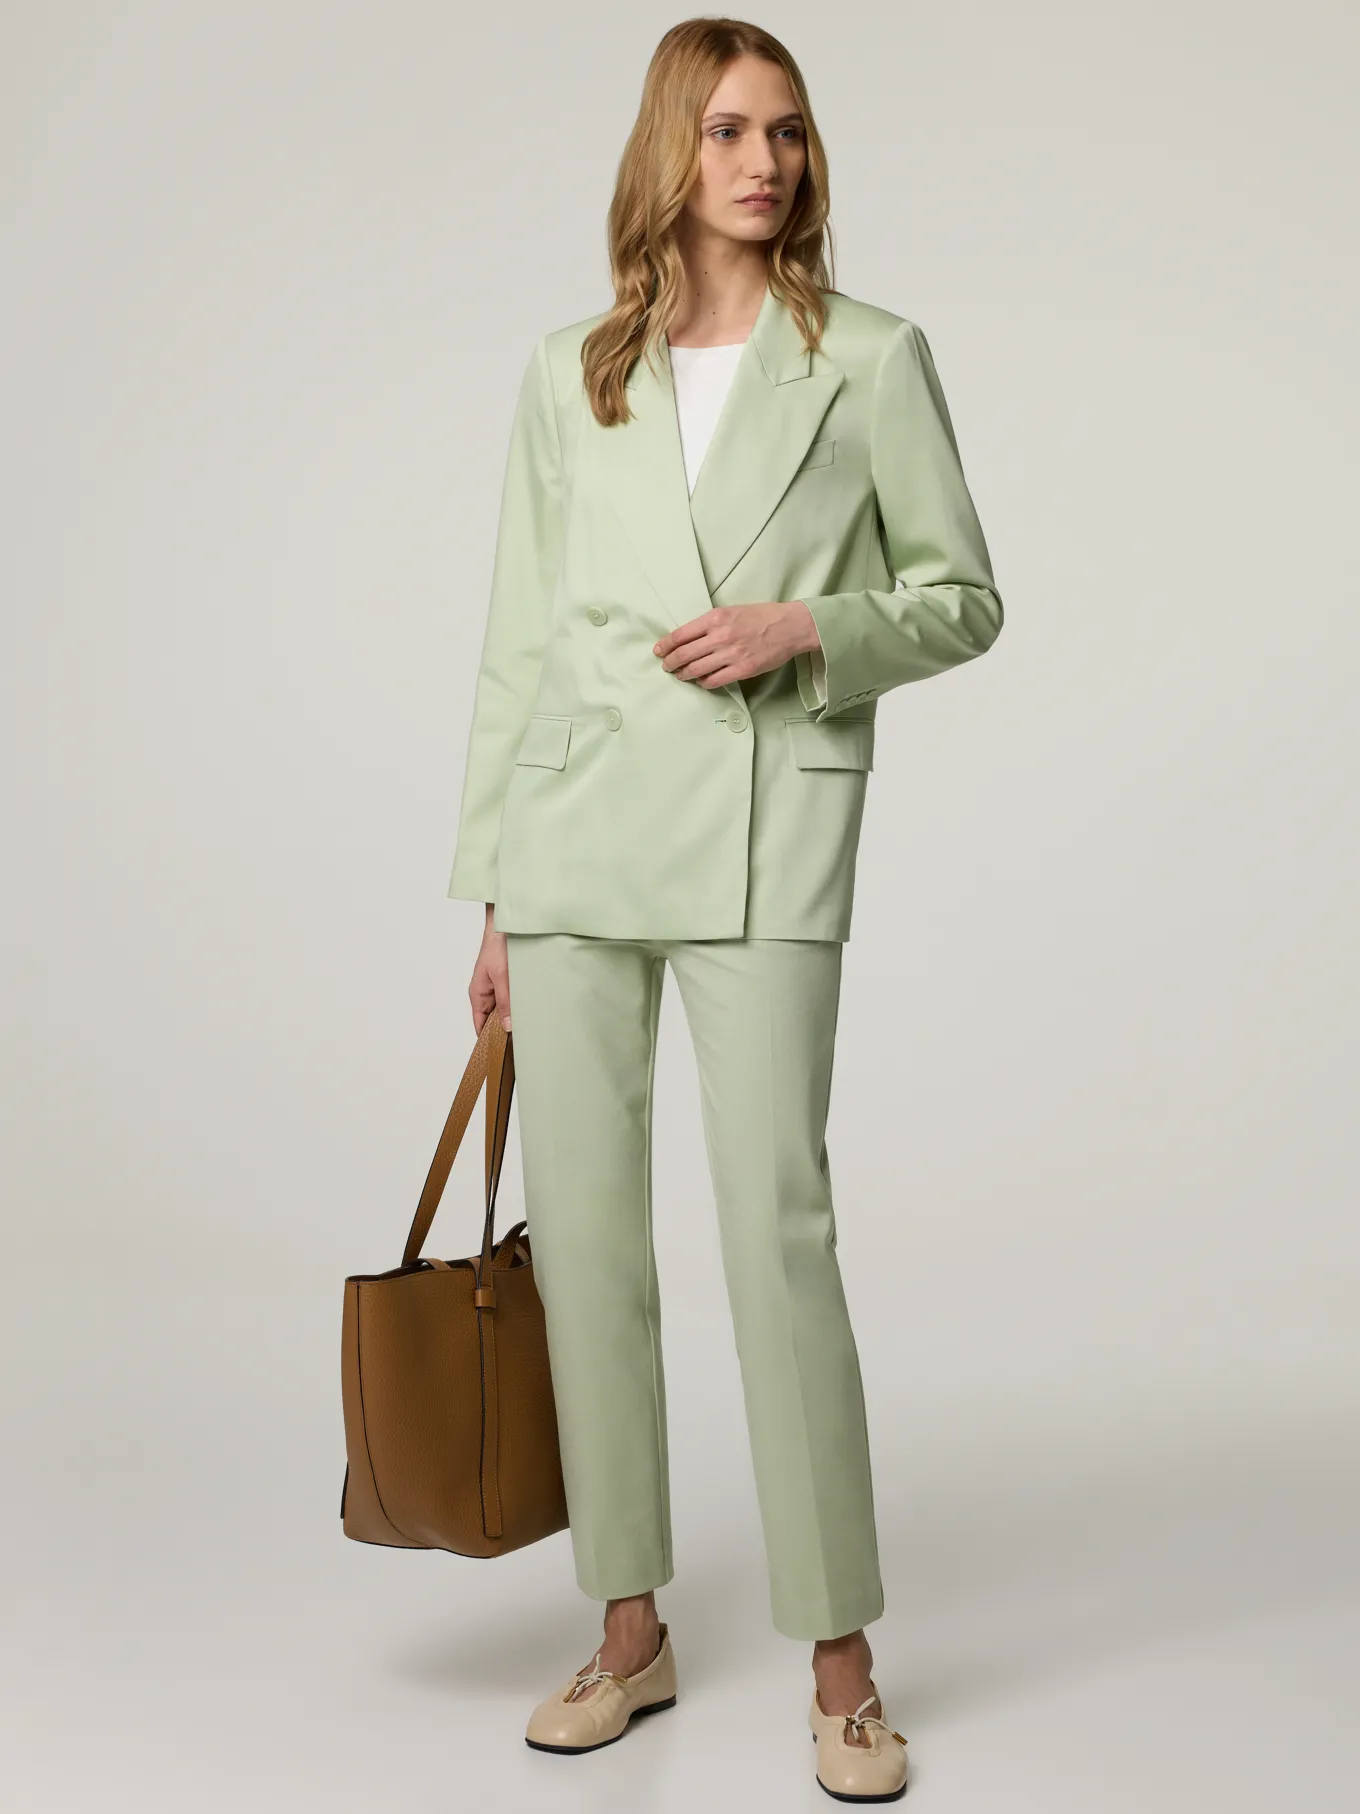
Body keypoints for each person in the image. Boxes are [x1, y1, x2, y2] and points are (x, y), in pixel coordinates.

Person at [445, 16, 1003, 1800]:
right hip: (576, 836)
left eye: (790, 133)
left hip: (767, 827)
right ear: (670, 152)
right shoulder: (572, 370)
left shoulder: (871, 359)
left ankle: (841, 1657)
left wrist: (809, 628)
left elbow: (966, 595)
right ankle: (628, 1627)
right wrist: (493, 892)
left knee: (777, 1229)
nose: (766, 164)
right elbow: (522, 637)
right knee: (589, 1243)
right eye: (732, 132)